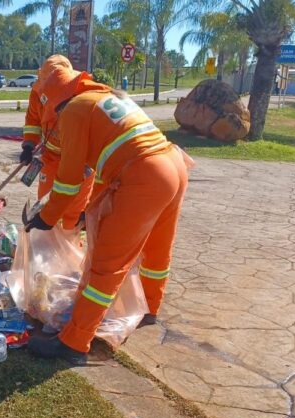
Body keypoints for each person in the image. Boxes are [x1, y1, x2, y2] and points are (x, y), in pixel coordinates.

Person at [25, 68, 189, 365]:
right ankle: (149, 307)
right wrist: (89, 210)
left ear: (54, 100)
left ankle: (74, 343)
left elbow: (69, 180)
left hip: (144, 175)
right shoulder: (105, 98)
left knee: (107, 266)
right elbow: (107, 163)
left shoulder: (74, 110)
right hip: (173, 164)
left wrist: (47, 218)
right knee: (157, 249)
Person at [20, 55, 94, 230]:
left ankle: (69, 245)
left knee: (74, 208)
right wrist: (29, 146)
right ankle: (46, 244)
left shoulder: (82, 94)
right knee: (45, 204)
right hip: (50, 157)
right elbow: (33, 120)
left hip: (80, 160)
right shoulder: (37, 93)